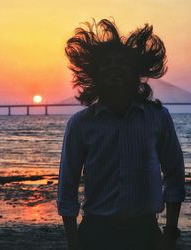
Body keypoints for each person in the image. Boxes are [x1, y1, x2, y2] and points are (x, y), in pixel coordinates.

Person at [57, 18, 186, 250]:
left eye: (122, 62)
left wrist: (170, 233)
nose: (114, 67)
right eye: (106, 63)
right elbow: (67, 186)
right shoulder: (80, 124)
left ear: (136, 72)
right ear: (95, 73)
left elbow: (175, 175)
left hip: (145, 232)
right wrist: (73, 243)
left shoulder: (158, 117)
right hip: (96, 232)